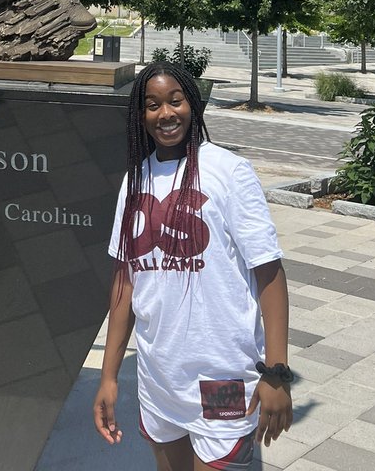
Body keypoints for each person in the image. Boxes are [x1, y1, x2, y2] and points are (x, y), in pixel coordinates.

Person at [93, 63, 292, 469]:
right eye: (152, 105)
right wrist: (109, 377)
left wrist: (277, 372)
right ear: (140, 115)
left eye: (175, 101)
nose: (165, 114)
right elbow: (124, 285)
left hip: (222, 378)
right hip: (159, 379)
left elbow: (269, 274)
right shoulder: (135, 182)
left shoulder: (229, 171)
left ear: (193, 104)